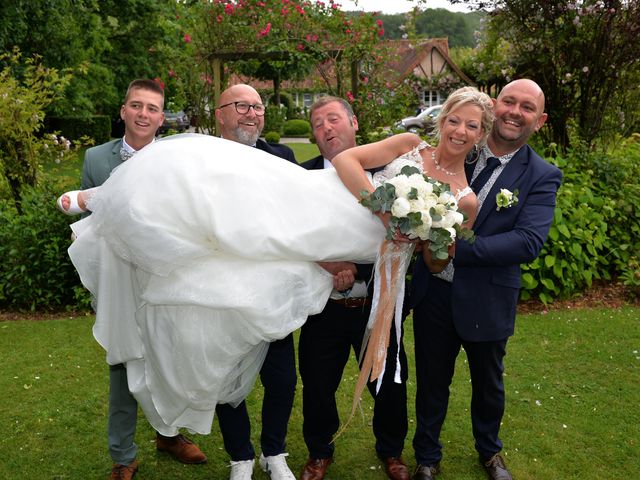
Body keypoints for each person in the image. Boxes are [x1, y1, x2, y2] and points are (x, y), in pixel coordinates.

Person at [58, 87, 490, 477]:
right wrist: (384, 212)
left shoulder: (465, 199)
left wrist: (431, 237)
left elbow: (435, 263)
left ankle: (141, 209)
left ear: (480, 133)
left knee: (251, 246)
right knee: (258, 199)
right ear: (442, 120)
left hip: (363, 248)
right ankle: (112, 196)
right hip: (342, 206)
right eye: (454, 119)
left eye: (471, 125)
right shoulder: (411, 146)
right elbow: (346, 160)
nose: (459, 129)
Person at [409, 79, 563, 480]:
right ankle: (426, 456)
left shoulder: (542, 175)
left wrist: (454, 247)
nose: (515, 111)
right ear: (495, 105)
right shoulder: (462, 145)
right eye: (508, 101)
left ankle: (490, 453)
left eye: (526, 107)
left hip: (489, 297)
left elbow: (528, 241)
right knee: (431, 380)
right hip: (435, 294)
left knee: (488, 384)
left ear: (540, 120)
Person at [68, 79, 207, 480]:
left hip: (166, 279)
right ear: (124, 110)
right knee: (121, 364)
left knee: (169, 361)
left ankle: (169, 434)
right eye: (136, 105)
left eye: (152, 108)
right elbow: (87, 222)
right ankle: (123, 454)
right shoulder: (96, 158)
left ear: (162, 118)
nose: (143, 114)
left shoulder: (175, 159)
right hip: (118, 279)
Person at [297, 96, 410, 480]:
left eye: (333, 119)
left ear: (354, 122)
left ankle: (392, 451)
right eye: (318, 124)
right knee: (316, 382)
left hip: (377, 304)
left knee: (389, 381)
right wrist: (326, 263)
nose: (327, 128)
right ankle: (318, 451)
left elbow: (401, 233)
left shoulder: (391, 172)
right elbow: (289, 234)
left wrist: (361, 268)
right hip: (323, 307)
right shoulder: (303, 177)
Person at [214, 84, 297, 480]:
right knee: (228, 378)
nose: (252, 113)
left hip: (273, 289)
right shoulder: (201, 159)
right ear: (220, 114)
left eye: (258, 106)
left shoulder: (282, 157)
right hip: (222, 288)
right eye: (242, 106)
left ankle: (274, 453)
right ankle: (240, 457)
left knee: (281, 378)